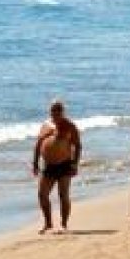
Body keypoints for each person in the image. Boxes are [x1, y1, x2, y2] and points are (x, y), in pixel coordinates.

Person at [31, 100, 82, 234]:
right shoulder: (46, 125)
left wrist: (75, 164)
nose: (56, 112)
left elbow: (78, 146)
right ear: (50, 111)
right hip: (48, 166)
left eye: (59, 109)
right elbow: (38, 144)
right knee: (42, 194)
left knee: (63, 195)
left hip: (64, 164)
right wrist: (35, 163)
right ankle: (48, 223)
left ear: (63, 111)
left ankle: (64, 224)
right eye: (53, 109)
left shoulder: (70, 126)